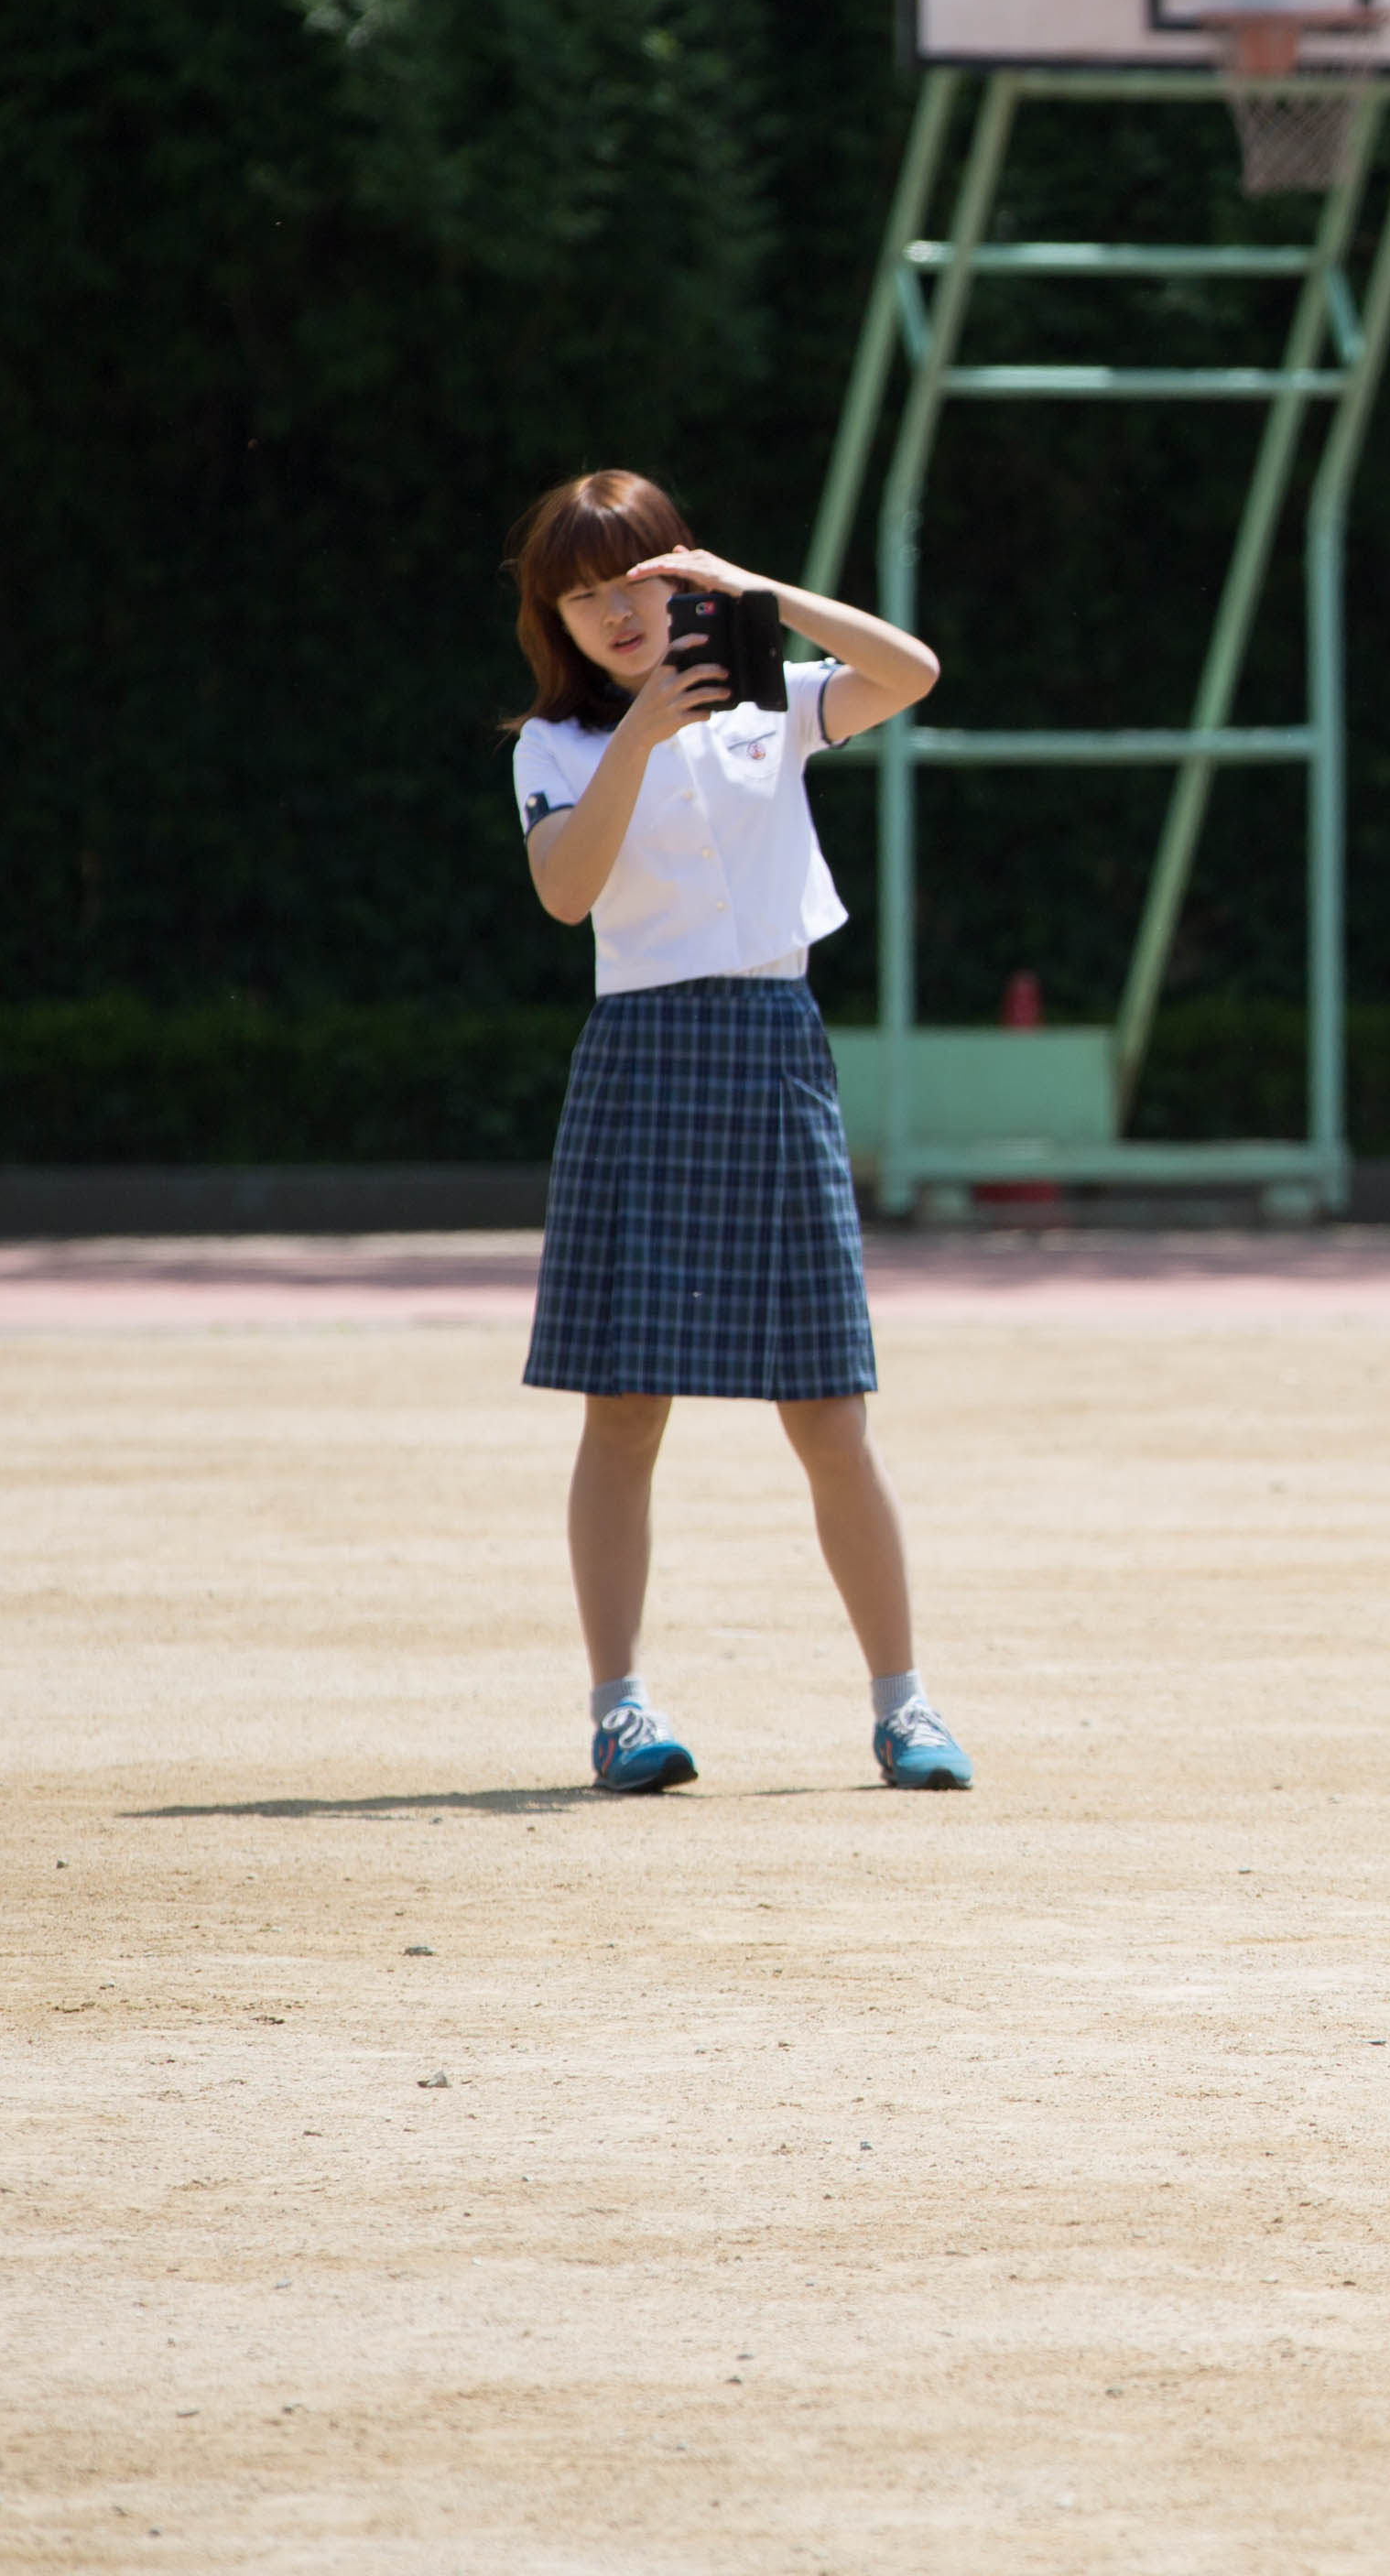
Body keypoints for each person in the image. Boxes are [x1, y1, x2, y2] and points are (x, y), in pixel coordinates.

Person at [502, 470, 969, 1799]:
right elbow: (565, 893)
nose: (613, 613)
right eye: (580, 598)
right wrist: (642, 730)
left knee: (830, 1411)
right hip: (641, 1059)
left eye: (634, 582)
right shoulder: (558, 745)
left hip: (775, 1052)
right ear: (556, 619)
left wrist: (766, 595)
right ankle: (619, 1710)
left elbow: (913, 670)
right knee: (625, 1408)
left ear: (680, 572)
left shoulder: (776, 703)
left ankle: (906, 1708)